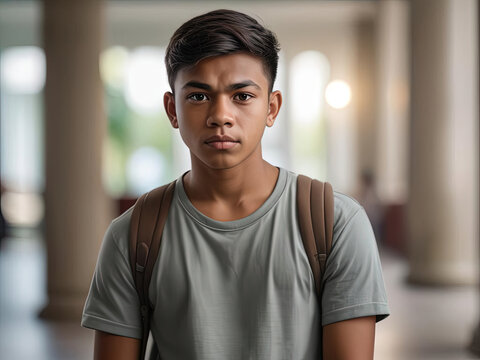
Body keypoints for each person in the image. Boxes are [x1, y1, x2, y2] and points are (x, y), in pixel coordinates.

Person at [81, 9, 390, 360]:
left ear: (272, 108)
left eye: (242, 96)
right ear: (172, 109)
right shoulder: (132, 235)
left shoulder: (337, 223)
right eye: (198, 96)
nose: (220, 116)